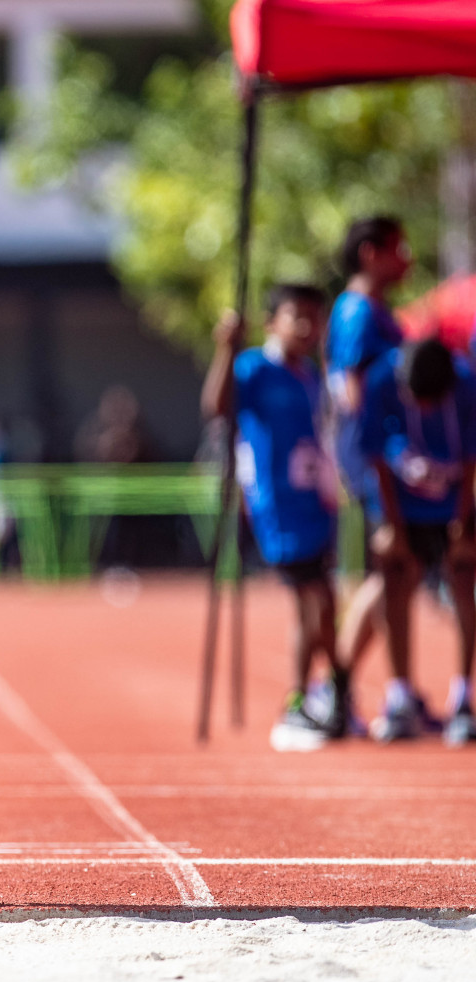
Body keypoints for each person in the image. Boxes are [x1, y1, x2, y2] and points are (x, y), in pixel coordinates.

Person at [202, 286, 351, 751]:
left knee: (324, 601)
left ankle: (333, 689)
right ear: (273, 323)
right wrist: (226, 350)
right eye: (296, 318)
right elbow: (217, 407)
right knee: (311, 601)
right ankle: (299, 700)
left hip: (316, 502)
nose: (307, 328)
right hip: (279, 507)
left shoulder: (309, 374)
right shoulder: (254, 368)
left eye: (315, 318)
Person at [358, 339, 476, 746]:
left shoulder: (466, 382)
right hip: (403, 505)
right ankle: (401, 695)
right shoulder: (380, 380)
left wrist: (462, 524)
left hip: (454, 502)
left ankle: (463, 697)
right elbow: (374, 455)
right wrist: (393, 525)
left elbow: (471, 459)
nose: (423, 408)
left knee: (463, 585)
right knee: (396, 584)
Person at [327, 216, 413, 689]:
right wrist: (369, 461)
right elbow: (351, 391)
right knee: (393, 566)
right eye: (399, 248)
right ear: (371, 253)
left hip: (384, 458)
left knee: (401, 571)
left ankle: (346, 684)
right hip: (373, 461)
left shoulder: (372, 310)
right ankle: (334, 685)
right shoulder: (357, 311)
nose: (409, 259)